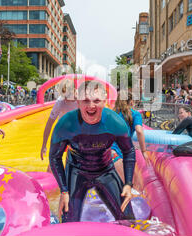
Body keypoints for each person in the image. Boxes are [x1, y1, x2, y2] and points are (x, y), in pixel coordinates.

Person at [49, 81, 136, 222]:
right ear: (78, 102)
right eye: (85, 101)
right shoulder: (66, 124)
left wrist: (128, 184)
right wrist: (64, 190)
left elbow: (129, 152)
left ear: (105, 102)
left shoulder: (115, 123)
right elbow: (54, 157)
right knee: (68, 221)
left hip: (105, 170)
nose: (91, 106)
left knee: (128, 219)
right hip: (76, 171)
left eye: (96, 100)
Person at [112, 91, 147, 184]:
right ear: (131, 102)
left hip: (108, 153)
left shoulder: (112, 113)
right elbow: (139, 130)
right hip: (120, 153)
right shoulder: (135, 114)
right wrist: (143, 151)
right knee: (135, 187)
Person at [40, 80, 79, 165]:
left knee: (76, 160)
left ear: (74, 90)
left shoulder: (81, 100)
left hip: (76, 132)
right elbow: (49, 124)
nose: (65, 98)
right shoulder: (60, 102)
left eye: (68, 95)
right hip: (62, 131)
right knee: (53, 161)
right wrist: (44, 145)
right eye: (63, 95)